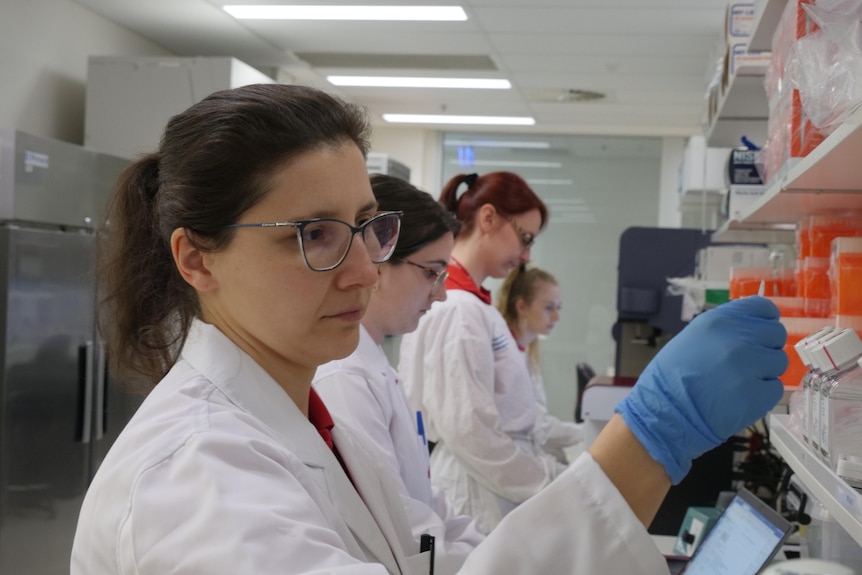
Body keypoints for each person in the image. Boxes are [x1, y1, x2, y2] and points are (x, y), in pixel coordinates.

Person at [70, 83, 788, 575]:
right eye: (314, 235)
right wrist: (646, 441)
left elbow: (440, 555)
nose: (361, 270)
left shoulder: (324, 428)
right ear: (198, 257)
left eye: (366, 228)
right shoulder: (192, 479)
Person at [313, 174, 484, 575]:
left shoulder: (373, 364)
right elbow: (398, 526)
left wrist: (493, 547)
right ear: (377, 260)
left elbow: (419, 498)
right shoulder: (343, 376)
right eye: (432, 272)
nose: (441, 293)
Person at [398, 172, 568, 533]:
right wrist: (551, 484)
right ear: (488, 218)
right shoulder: (459, 309)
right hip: (477, 489)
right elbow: (470, 431)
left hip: (488, 485)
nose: (525, 256)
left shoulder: (473, 307)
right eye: (524, 238)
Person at [496, 264, 583, 464]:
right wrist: (584, 432)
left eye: (558, 308)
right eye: (548, 308)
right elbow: (535, 424)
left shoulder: (525, 351)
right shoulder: (503, 354)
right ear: (521, 306)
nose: (556, 317)